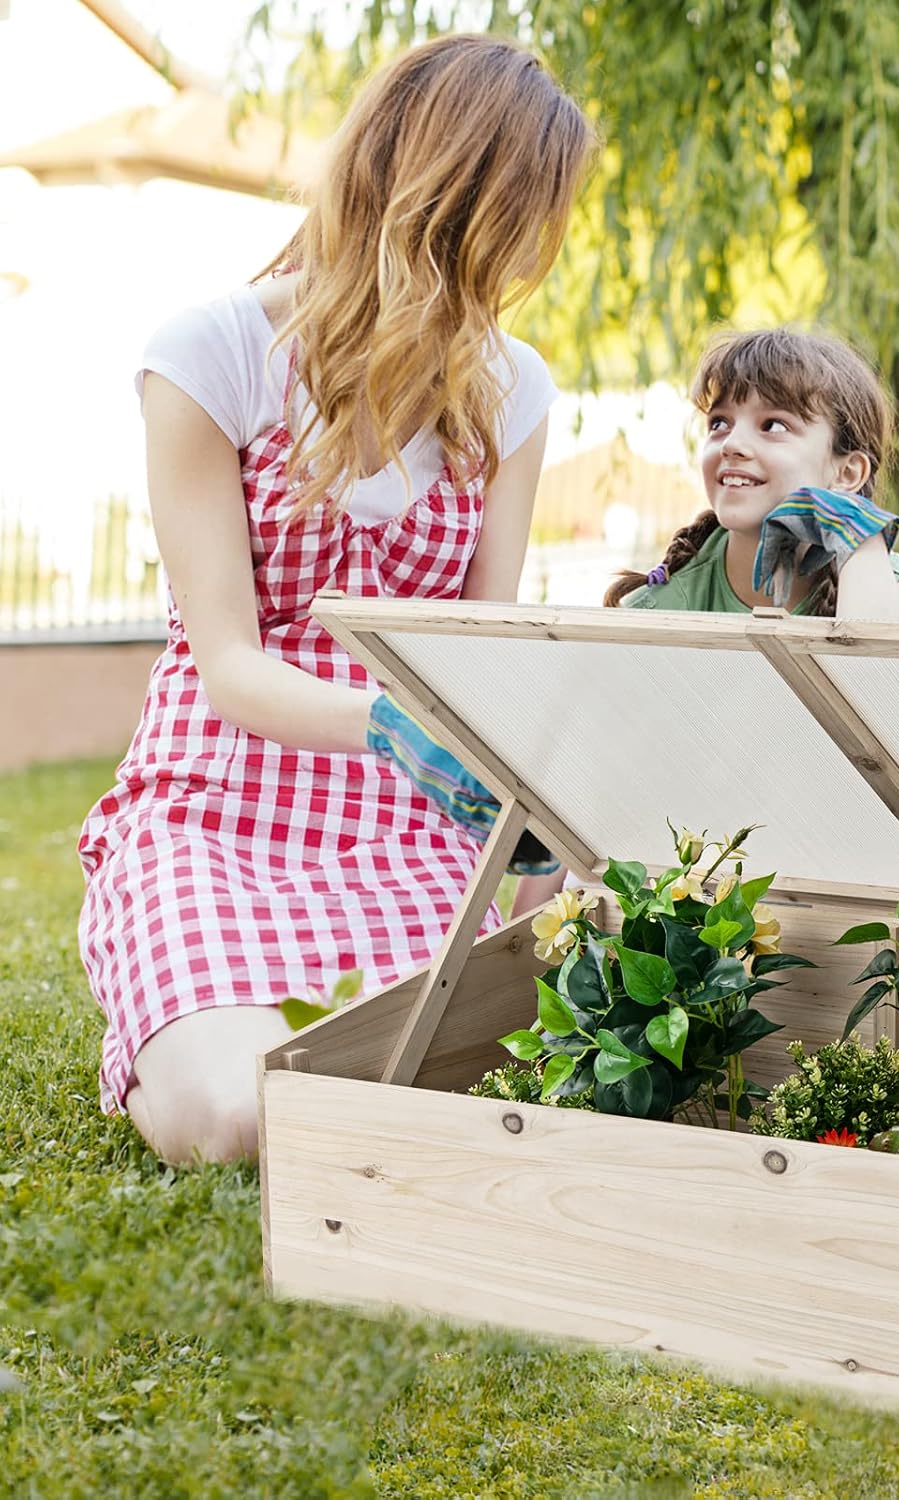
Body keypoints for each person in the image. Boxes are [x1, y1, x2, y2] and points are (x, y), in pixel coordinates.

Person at [76, 36, 593, 1165]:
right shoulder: (214, 353)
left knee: (490, 1080)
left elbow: (481, 649)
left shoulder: (514, 388)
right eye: (509, 220)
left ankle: (197, 1016)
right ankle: (157, 1001)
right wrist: (395, 726)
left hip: (411, 825)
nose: (519, 257)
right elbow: (228, 661)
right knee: (242, 1115)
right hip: (219, 805)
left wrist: (532, 817)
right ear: (431, 195)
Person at [605, 328, 899, 620]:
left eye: (773, 426)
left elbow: (866, 659)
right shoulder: (657, 611)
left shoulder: (890, 586)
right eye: (720, 423)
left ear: (847, 473)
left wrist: (858, 529)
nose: (731, 444)